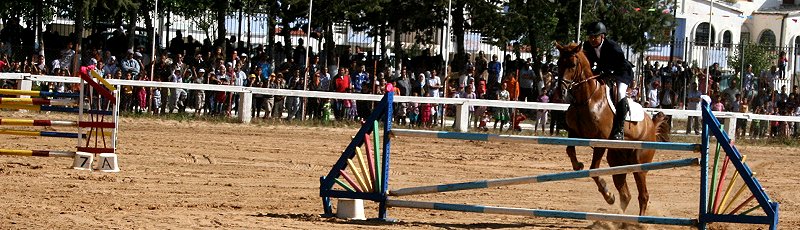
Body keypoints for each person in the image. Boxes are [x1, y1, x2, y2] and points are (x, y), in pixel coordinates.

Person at [583, 22, 634, 140]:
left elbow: (620, 63)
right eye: (590, 37)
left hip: (621, 73)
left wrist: (608, 72)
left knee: (620, 93)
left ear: (602, 36)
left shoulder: (612, 46)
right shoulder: (587, 46)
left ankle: (619, 129)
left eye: (595, 37)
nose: (592, 39)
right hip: (605, 72)